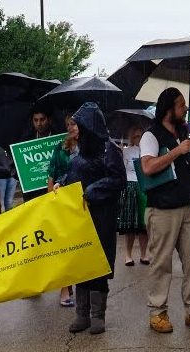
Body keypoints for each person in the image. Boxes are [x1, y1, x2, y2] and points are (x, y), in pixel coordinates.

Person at [140, 87, 190, 333]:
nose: (185, 109)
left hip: (188, 205)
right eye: (181, 105)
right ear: (168, 108)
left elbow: (186, 163)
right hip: (162, 209)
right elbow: (148, 167)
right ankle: (157, 312)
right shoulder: (151, 135)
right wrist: (177, 151)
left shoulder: (184, 131)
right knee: (161, 263)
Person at [54, 102, 126, 334]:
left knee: (98, 263)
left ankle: (97, 315)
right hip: (80, 217)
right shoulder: (81, 150)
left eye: (78, 125)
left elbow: (119, 179)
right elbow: (73, 173)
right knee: (80, 263)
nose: (74, 128)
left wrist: (92, 191)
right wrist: (61, 183)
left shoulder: (109, 149)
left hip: (102, 215)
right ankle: (81, 314)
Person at [49, 114, 80, 307]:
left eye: (74, 123)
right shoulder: (60, 147)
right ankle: (65, 288)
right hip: (64, 200)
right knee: (65, 246)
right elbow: (51, 174)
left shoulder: (92, 146)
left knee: (81, 245)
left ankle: (82, 285)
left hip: (85, 200)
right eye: (68, 124)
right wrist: (50, 202)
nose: (71, 127)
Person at [118, 125, 150, 266]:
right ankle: (128, 255)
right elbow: (122, 170)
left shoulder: (148, 152)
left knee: (143, 225)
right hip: (130, 186)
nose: (138, 138)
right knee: (130, 225)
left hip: (144, 187)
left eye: (141, 136)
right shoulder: (126, 152)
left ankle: (143, 254)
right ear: (132, 137)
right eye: (136, 136)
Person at [22, 107, 55, 203]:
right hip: (34, 196)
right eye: (35, 120)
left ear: (49, 120)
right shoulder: (25, 142)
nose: (39, 124)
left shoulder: (60, 138)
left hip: (57, 190)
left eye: (42, 119)